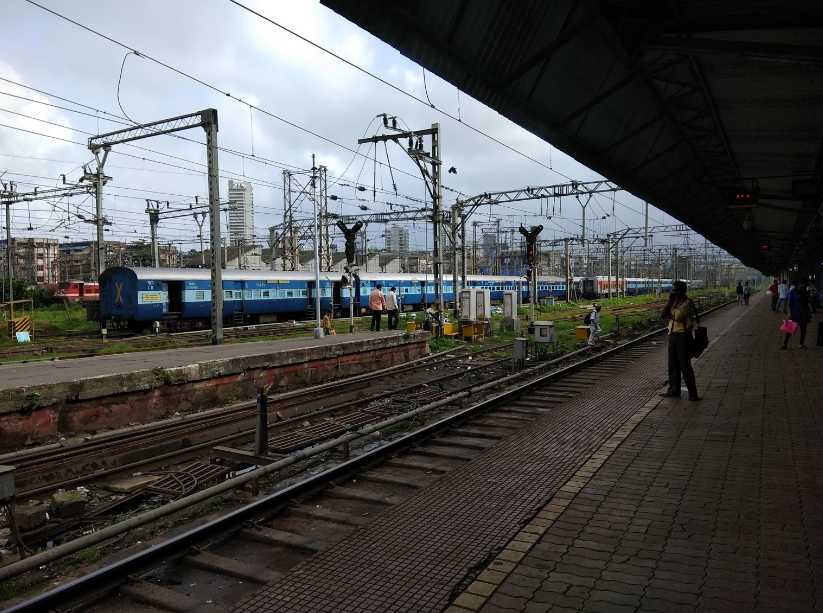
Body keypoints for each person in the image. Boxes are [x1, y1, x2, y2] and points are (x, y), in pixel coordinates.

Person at [660, 281, 699, 401]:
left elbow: (678, 316)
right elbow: (663, 314)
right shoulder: (674, 302)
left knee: (685, 365)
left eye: (676, 290)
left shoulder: (688, 303)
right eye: (673, 290)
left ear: (683, 291)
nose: (674, 292)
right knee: (672, 365)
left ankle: (693, 393)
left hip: (683, 336)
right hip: (672, 335)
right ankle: (674, 390)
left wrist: (670, 311)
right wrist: (669, 302)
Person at [782, 278, 810, 350]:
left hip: (796, 313)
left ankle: (785, 344)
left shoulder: (793, 291)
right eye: (803, 284)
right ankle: (800, 344)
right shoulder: (804, 292)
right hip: (800, 313)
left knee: (791, 329)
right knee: (802, 329)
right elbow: (806, 303)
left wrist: (789, 312)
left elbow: (790, 303)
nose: (802, 286)